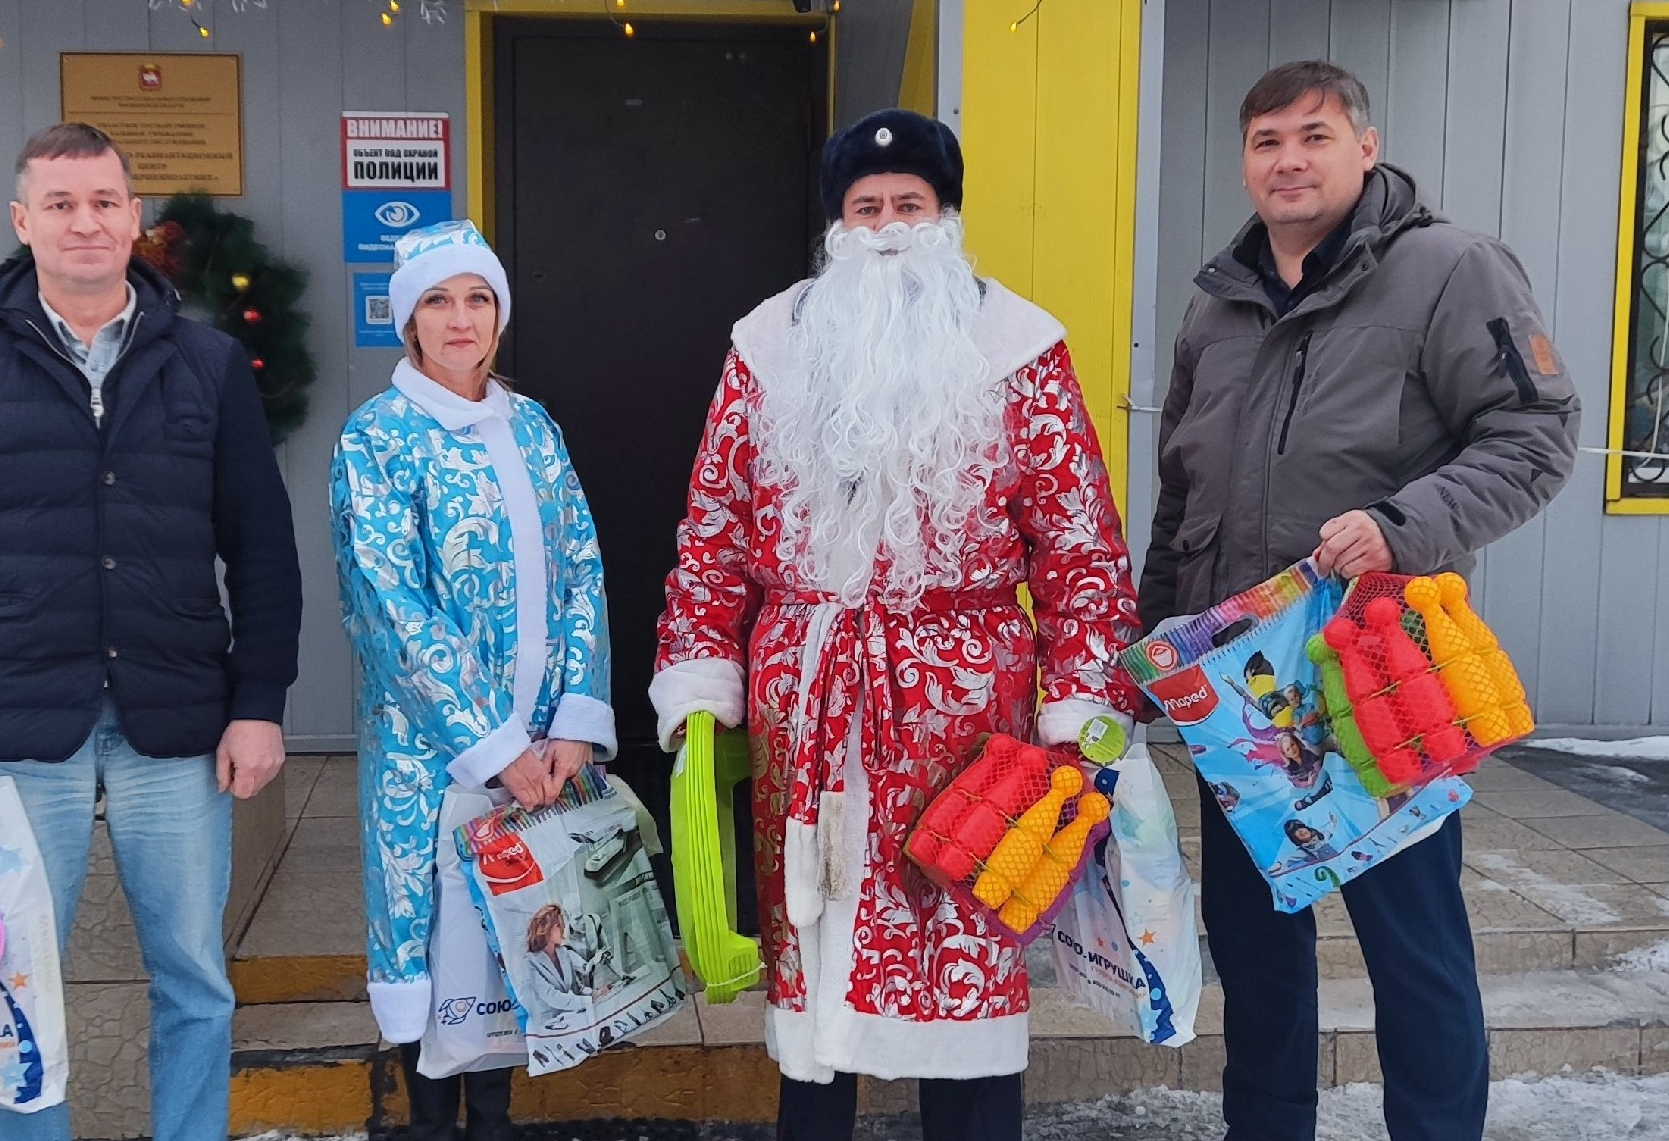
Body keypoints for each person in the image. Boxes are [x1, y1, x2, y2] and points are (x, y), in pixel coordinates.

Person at [650, 109, 1140, 1141]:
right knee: (816, 972)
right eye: (865, 208)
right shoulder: (768, 346)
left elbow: (1080, 547)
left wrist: (1080, 710)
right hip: (806, 716)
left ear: (946, 217)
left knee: (965, 966)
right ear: (838, 226)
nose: (885, 229)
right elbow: (712, 536)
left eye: (908, 206)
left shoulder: (1020, 349)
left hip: (967, 728)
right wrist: (700, 686)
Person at [1139, 61, 1580, 1141]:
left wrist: (1402, 524)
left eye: (1315, 136)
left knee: (1414, 951)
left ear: (1366, 148)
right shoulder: (1217, 304)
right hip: (1239, 702)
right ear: (1245, 161)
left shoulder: (1451, 269)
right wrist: (1149, 639)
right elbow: (1182, 489)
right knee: (1255, 951)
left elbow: (1537, 434)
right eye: (1267, 141)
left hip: (1380, 681)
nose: (1289, 160)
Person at [0, 122, 302, 1141]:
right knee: (12, 979)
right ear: (23, 221)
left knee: (195, 977)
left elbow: (262, 550)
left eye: (105, 202)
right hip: (19, 725)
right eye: (61, 204)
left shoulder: (208, 363)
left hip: (176, 724)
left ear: (135, 219)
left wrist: (259, 703)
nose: (85, 221)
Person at [330, 219, 615, 1141]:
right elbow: (390, 607)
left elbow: (580, 569)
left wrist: (572, 724)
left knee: (518, 945)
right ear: (409, 320)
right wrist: (492, 746)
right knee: (432, 949)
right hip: (434, 762)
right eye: (439, 301)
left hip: (542, 753)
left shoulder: (532, 427)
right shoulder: (376, 437)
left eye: (478, 298)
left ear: (500, 313)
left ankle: (493, 1123)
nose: (462, 319)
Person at [523, 904, 599, 1026]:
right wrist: (589, 1000)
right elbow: (552, 997)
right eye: (558, 926)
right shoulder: (530, 962)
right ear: (545, 929)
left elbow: (577, 988)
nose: (563, 929)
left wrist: (596, 993)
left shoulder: (563, 952)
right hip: (546, 1025)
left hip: (568, 1018)